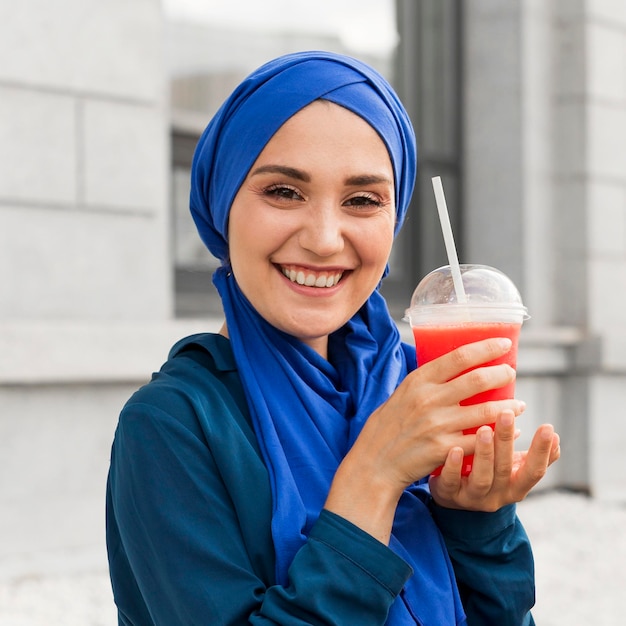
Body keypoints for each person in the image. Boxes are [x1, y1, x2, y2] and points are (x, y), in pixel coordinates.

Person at [106, 51, 560, 625]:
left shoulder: (418, 386)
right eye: (283, 192)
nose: (324, 239)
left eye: (363, 200)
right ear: (223, 204)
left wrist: (478, 521)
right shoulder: (174, 425)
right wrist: (373, 474)